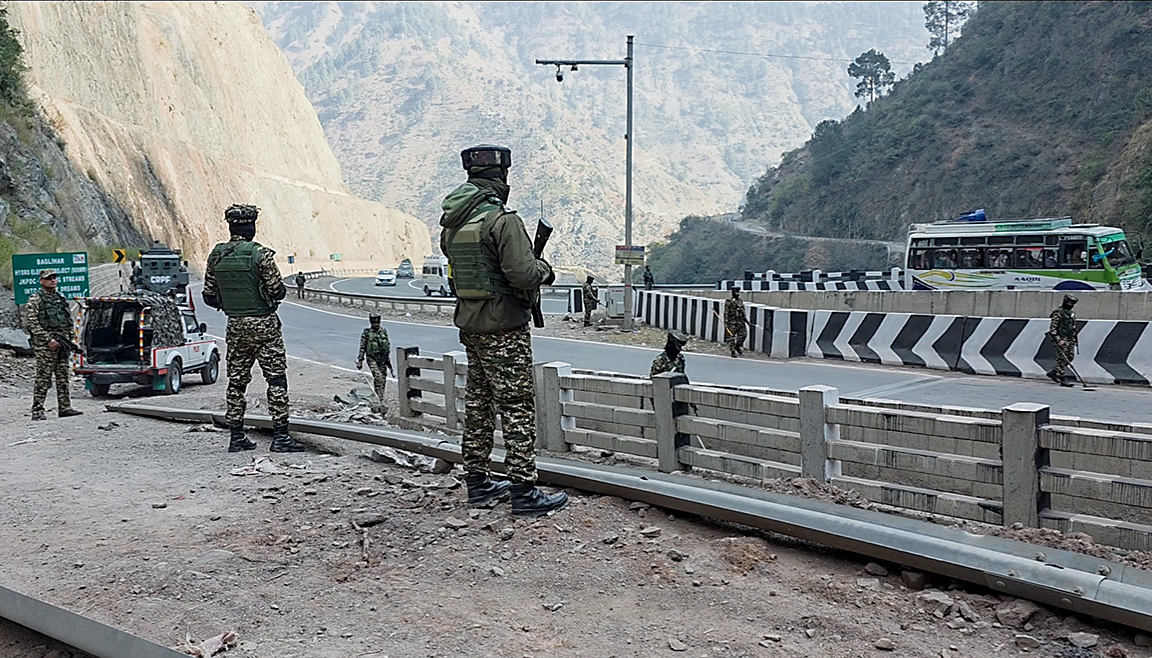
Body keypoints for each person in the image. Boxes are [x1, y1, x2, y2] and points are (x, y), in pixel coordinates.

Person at [440, 144, 567, 517]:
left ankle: (478, 483)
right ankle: (524, 491)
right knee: (516, 404)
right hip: (504, 326)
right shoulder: (501, 219)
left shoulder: (454, 222)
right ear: (502, 176)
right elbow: (523, 273)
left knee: (479, 403)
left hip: (471, 323)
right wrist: (546, 271)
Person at [203, 203, 304, 453]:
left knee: (236, 383)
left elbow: (209, 296)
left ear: (230, 227)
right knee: (276, 380)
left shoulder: (217, 255)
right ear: (252, 227)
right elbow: (277, 291)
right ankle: (281, 437)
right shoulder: (261, 254)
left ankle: (237, 437)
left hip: (235, 326)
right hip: (265, 326)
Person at [26, 269, 82, 421]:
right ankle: (37, 410)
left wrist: (71, 340)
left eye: (54, 277)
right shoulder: (35, 299)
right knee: (43, 377)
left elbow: (67, 320)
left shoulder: (60, 297)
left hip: (62, 343)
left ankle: (64, 407)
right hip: (46, 346)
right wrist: (48, 339)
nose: (53, 280)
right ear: (41, 281)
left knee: (63, 376)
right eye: (49, 278)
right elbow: (32, 324)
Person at [356, 313, 393, 412]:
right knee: (378, 377)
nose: (376, 324)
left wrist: (388, 360)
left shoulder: (384, 332)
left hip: (383, 359)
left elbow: (387, 347)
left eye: (377, 322)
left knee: (383, 379)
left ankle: (380, 398)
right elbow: (362, 347)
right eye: (374, 322)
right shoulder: (367, 333)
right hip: (372, 358)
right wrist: (360, 360)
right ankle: (378, 400)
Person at [1046, 294, 1078, 387]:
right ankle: (1062, 377)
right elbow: (1053, 329)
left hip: (1069, 339)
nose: (1070, 305)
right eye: (1069, 302)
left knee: (1070, 357)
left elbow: (1073, 326)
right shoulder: (1058, 313)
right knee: (1061, 358)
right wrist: (1058, 340)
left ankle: (1054, 372)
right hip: (1061, 338)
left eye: (1072, 303)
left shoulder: (1071, 313)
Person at [725, 287, 750, 358]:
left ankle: (737, 346)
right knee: (731, 337)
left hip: (741, 321)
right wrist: (726, 322)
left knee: (743, 335)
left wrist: (747, 321)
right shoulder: (729, 301)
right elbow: (726, 313)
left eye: (738, 292)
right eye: (736, 291)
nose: (737, 293)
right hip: (732, 322)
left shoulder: (740, 301)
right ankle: (732, 351)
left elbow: (743, 312)